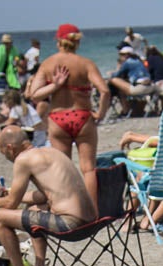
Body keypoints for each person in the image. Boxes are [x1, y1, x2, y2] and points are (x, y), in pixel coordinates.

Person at [0, 126, 96, 266]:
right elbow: (44, 196)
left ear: (10, 148)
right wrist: (4, 193)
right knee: (33, 210)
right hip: (92, 220)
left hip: (72, 225)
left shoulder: (23, 159)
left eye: (4, 153)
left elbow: (11, 204)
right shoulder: (52, 152)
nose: (6, 157)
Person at [30, 24, 110, 208]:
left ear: (59, 41)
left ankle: (65, 209)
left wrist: (55, 86)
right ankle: (92, 212)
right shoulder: (85, 63)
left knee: (61, 168)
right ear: (77, 42)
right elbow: (104, 91)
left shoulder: (48, 64)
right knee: (88, 169)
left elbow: (34, 94)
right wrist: (100, 113)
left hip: (58, 120)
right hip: (82, 117)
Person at [109, 47, 153, 115]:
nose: (120, 56)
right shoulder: (139, 61)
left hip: (139, 88)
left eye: (122, 55)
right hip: (149, 87)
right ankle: (128, 110)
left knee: (113, 80)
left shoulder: (128, 62)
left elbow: (117, 74)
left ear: (127, 55)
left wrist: (111, 73)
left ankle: (125, 110)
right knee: (121, 91)